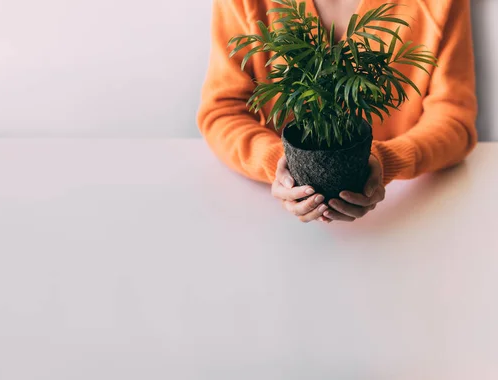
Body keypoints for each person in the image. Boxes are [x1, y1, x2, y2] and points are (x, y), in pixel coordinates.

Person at [197, 0, 477, 223]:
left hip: (405, 224)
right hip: (264, 224)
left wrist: (386, 159)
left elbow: (454, 120)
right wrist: (278, 164)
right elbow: (223, 110)